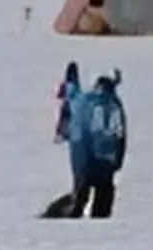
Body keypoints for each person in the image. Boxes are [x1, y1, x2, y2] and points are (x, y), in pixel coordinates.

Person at [50, 71, 126, 218]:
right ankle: (99, 219)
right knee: (104, 195)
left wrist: (71, 79)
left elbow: (71, 95)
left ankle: (74, 213)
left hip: (84, 159)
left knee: (80, 194)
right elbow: (121, 137)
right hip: (107, 160)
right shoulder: (115, 105)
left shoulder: (84, 101)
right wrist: (117, 162)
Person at [55, 60, 81, 142]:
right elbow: (59, 95)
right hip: (68, 105)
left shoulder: (75, 85)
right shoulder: (67, 84)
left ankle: (65, 134)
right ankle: (62, 134)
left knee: (69, 120)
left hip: (72, 105)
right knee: (64, 120)